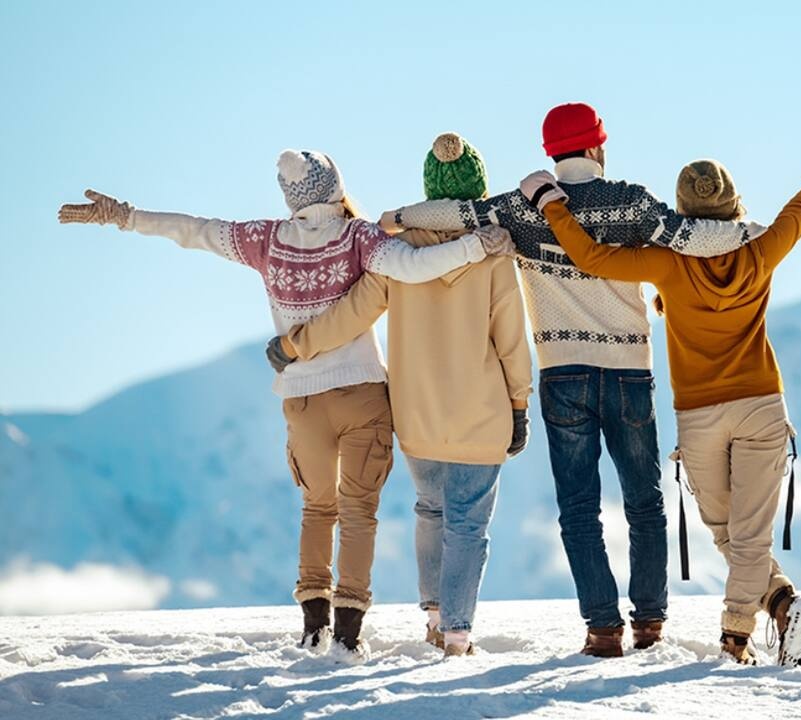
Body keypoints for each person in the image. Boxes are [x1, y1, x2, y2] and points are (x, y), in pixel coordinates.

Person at [57, 150, 513, 658]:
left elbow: (196, 230)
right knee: (359, 513)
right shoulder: (359, 237)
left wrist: (125, 217)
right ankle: (348, 634)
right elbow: (415, 265)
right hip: (362, 392)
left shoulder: (265, 240)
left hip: (301, 399)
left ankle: (313, 625)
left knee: (317, 509)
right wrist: (476, 247)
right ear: (335, 184)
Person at [517, 81, 801, 665]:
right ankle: (783, 606)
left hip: (698, 418)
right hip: (762, 408)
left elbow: (590, 257)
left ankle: (736, 637)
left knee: (731, 534)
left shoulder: (667, 264)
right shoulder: (761, 250)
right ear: (734, 207)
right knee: (738, 536)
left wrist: (549, 203)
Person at [379, 106, 768, 656]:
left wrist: (396, 216)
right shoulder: (630, 200)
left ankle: (602, 629)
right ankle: (650, 623)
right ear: (597, 148)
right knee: (644, 502)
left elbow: (455, 212)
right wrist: (753, 232)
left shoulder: (519, 209)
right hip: (630, 371)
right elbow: (693, 237)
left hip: (562, 373)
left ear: (552, 154)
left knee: (579, 507)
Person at [268, 134, 532, 658]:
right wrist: (520, 404)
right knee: (468, 523)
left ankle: (435, 621)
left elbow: (351, 315)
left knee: (430, 511)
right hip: (481, 414)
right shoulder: (494, 254)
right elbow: (511, 341)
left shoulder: (398, 252)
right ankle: (457, 635)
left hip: (414, 415)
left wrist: (295, 344)